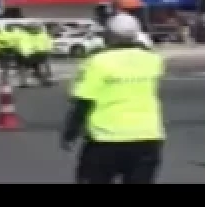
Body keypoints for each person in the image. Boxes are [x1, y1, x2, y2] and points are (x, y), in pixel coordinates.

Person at [60, 13, 165, 184]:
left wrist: (70, 134)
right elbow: (145, 49)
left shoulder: (96, 62)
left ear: (108, 35)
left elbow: (83, 102)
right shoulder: (153, 60)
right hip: (147, 137)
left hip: (105, 139)